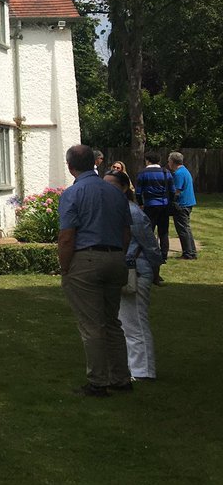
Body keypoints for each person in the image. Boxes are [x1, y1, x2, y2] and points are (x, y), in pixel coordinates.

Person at [58, 144, 132, 397]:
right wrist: (119, 254)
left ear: (70, 167)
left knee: (92, 325)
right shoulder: (115, 193)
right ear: (94, 163)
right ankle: (121, 378)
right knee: (112, 322)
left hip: (86, 259)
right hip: (116, 257)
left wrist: (65, 267)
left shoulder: (73, 193)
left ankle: (98, 382)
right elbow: (126, 231)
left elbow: (67, 236)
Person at [104, 169, 162, 381]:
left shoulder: (133, 213)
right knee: (125, 322)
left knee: (136, 321)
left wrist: (154, 272)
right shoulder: (115, 211)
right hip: (123, 270)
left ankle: (143, 371)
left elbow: (151, 247)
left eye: (111, 185)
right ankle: (133, 367)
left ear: (124, 188)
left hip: (136, 271)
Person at [135, 152, 175, 264]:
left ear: (147, 160)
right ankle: (164, 255)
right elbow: (172, 190)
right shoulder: (166, 172)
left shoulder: (143, 173)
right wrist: (170, 201)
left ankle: (150, 253)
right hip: (164, 204)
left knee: (149, 231)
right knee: (163, 231)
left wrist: (140, 203)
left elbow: (138, 192)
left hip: (150, 204)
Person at [168, 152, 199, 260]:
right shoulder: (184, 170)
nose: (168, 163)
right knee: (186, 228)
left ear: (173, 162)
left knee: (182, 230)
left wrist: (170, 201)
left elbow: (177, 191)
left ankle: (188, 253)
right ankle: (192, 252)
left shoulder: (179, 173)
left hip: (182, 204)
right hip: (188, 203)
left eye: (169, 161)